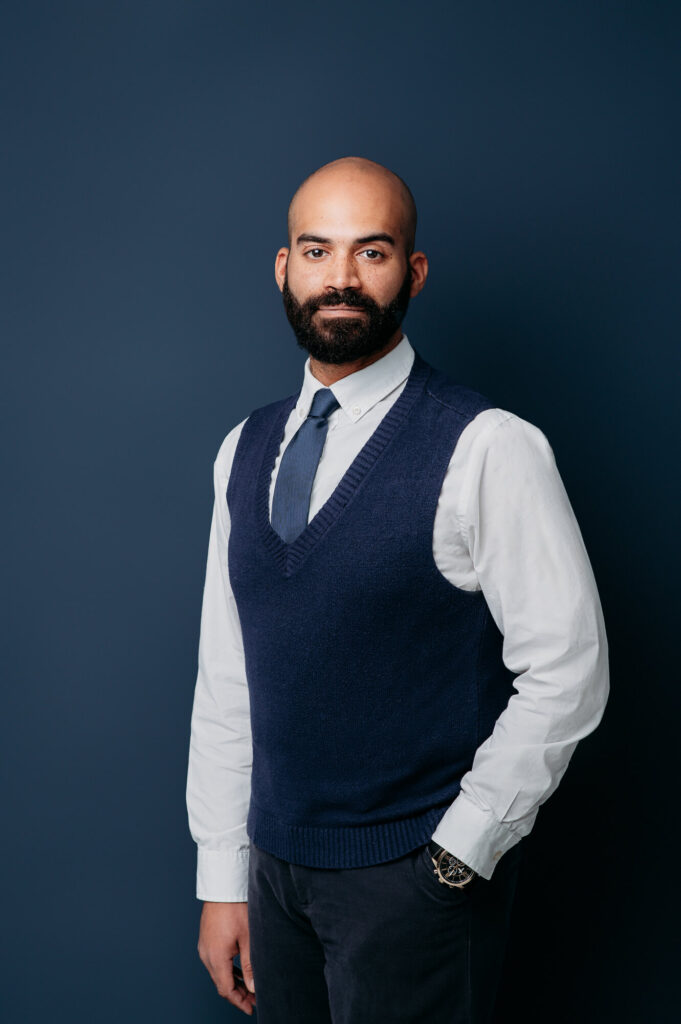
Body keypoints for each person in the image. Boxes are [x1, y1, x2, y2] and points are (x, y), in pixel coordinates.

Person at [185, 156, 609, 1023]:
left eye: (370, 253)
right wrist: (223, 876)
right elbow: (229, 679)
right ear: (283, 266)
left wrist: (459, 854)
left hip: (412, 884)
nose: (339, 278)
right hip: (273, 878)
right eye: (316, 251)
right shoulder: (242, 448)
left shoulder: (485, 445)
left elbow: (568, 670)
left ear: (411, 272)